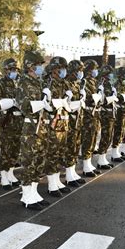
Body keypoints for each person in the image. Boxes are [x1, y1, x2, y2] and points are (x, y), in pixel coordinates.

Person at [17, 50, 51, 209]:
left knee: (39, 160)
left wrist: (47, 99)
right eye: (37, 65)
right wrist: (41, 104)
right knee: (29, 161)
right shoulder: (23, 82)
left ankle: (34, 193)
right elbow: (24, 106)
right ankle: (26, 196)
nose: (40, 68)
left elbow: (48, 107)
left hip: (41, 126)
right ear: (30, 66)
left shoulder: (39, 82)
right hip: (30, 127)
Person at [43, 56, 72, 197]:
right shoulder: (48, 83)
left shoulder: (63, 83)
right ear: (55, 69)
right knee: (52, 154)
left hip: (63, 122)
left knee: (60, 153)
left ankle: (57, 180)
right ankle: (51, 184)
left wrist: (68, 98)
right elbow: (49, 105)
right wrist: (61, 101)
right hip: (53, 124)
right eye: (62, 68)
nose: (64, 71)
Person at [0, 58, 22, 190]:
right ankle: (4, 175)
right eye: (12, 69)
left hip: (18, 121)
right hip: (6, 121)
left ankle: (10, 173)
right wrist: (12, 101)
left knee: (15, 149)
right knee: (6, 149)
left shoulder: (19, 82)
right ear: (6, 70)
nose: (14, 72)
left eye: (16, 69)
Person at [64, 60, 87, 187]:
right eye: (79, 70)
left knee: (75, 146)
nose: (80, 73)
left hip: (78, 120)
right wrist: (76, 103)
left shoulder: (77, 83)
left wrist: (81, 99)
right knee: (69, 146)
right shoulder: (66, 83)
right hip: (70, 120)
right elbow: (65, 103)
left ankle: (72, 172)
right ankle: (68, 174)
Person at [80, 60, 103, 170]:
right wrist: (96, 96)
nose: (96, 71)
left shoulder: (95, 82)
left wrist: (100, 95)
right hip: (88, 114)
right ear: (89, 70)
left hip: (95, 114)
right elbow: (87, 98)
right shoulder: (84, 81)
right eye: (94, 68)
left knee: (93, 138)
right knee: (87, 139)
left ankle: (89, 163)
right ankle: (85, 164)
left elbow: (99, 100)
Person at [94, 65, 117, 171]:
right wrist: (112, 97)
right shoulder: (101, 83)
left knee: (109, 136)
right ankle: (100, 159)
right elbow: (100, 101)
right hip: (104, 114)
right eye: (109, 73)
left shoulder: (109, 84)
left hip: (111, 114)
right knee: (105, 135)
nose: (111, 75)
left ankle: (103, 158)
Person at [111, 67, 125, 161]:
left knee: (123, 130)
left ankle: (119, 150)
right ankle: (114, 152)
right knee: (118, 131)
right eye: (124, 75)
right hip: (119, 111)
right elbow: (117, 97)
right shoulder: (116, 85)